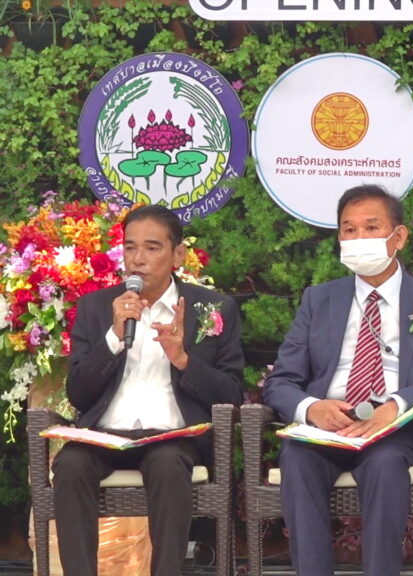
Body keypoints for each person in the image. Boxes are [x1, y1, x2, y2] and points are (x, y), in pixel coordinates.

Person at [261, 184, 413, 576]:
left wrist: (397, 406)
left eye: (371, 228)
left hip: (396, 433)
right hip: (327, 429)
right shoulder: (318, 300)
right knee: (297, 457)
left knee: (385, 463)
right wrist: (312, 408)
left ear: (399, 237)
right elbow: (280, 382)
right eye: (349, 230)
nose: (359, 238)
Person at [53, 204, 245, 576]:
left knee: (167, 463)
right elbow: (78, 393)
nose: (137, 259)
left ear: (178, 255)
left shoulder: (212, 308)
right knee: (71, 463)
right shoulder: (96, 307)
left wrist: (183, 359)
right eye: (130, 247)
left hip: (172, 437)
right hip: (105, 435)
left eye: (152, 248)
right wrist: (113, 337)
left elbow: (232, 395)